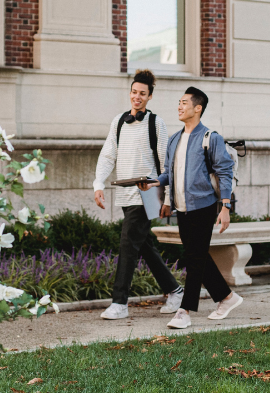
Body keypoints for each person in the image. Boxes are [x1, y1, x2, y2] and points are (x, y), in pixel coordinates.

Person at [139, 87, 242, 329]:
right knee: (197, 257)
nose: (179, 106)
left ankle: (184, 311)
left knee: (194, 258)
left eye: (184, 102)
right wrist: (157, 186)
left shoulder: (210, 138)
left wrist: (225, 207)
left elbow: (224, 172)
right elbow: (168, 174)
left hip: (204, 206)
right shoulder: (175, 139)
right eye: (179, 102)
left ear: (198, 108)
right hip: (181, 208)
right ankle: (227, 298)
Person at [93, 70, 184, 320]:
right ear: (130, 93)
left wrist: (167, 199)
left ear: (149, 96)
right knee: (143, 247)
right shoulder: (119, 122)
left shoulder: (157, 123)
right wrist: (98, 183)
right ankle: (176, 291)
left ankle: (119, 303)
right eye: (134, 92)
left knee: (127, 245)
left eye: (142, 94)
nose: (137, 97)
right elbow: (108, 154)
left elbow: (167, 164)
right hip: (124, 194)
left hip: (146, 194)